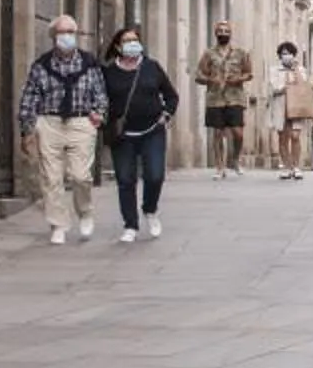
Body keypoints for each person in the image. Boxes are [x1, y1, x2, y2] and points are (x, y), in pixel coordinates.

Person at [15, 13, 107, 246]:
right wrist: (27, 129)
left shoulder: (89, 63)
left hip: (81, 122)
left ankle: (85, 212)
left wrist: (98, 112)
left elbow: (100, 92)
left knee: (81, 176)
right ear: (53, 36)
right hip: (50, 122)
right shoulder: (41, 65)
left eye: (70, 32)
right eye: (62, 32)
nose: (66, 36)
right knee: (51, 177)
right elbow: (30, 96)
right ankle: (58, 224)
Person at [98, 24, 182, 244]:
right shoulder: (108, 73)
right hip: (123, 135)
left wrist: (166, 114)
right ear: (118, 46)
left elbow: (171, 95)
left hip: (152, 130)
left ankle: (150, 209)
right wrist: (101, 118)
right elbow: (100, 101)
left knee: (155, 175)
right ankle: (130, 225)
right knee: (126, 179)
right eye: (127, 41)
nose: (132, 44)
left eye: (135, 40)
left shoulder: (151, 67)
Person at [195, 21, 252, 178]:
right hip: (215, 98)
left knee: (238, 132)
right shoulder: (209, 54)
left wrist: (239, 79)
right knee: (218, 133)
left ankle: (235, 159)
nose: (223, 34)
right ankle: (219, 167)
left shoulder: (240, 53)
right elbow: (199, 74)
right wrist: (210, 80)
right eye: (220, 31)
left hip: (235, 97)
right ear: (216, 33)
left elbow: (249, 73)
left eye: (226, 31)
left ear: (231, 34)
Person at [267, 41, 313, 179]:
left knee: (295, 136)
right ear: (280, 56)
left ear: (294, 55)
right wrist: (287, 86)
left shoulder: (300, 69)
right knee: (283, 138)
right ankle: (287, 167)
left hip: (296, 107)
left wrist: (296, 70)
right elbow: (274, 88)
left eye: (289, 53)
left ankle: (296, 166)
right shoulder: (274, 70)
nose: (287, 56)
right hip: (280, 106)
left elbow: (304, 85)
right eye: (284, 54)